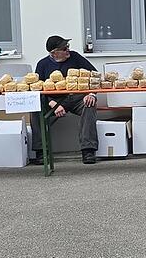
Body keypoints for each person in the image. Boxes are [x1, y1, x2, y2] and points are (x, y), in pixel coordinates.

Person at [30, 35, 100, 165]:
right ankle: (41, 151)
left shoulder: (75, 57)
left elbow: (94, 75)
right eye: (64, 48)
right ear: (54, 53)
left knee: (89, 104)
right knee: (35, 108)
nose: (68, 49)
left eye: (68, 47)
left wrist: (91, 93)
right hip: (52, 101)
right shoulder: (42, 64)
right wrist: (52, 104)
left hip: (74, 98)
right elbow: (37, 90)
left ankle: (88, 150)